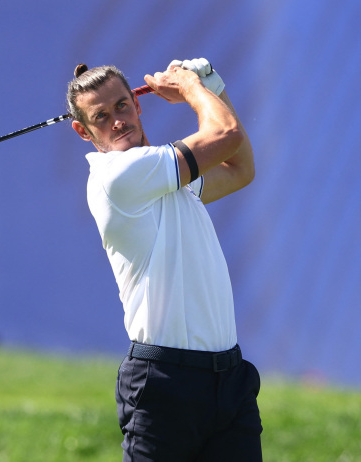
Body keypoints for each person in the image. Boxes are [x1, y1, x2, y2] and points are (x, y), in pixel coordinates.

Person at [66, 58, 262, 461]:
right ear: (82, 132)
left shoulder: (168, 177)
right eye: (100, 117)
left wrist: (212, 84)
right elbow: (224, 133)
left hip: (230, 379)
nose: (117, 121)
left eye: (122, 105)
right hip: (164, 384)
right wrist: (192, 88)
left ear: (139, 105)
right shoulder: (117, 177)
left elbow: (240, 168)